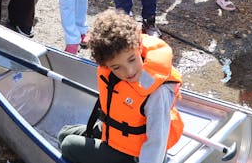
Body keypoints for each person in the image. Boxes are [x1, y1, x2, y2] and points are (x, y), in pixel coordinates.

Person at [57, 9, 183, 163]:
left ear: (139, 46)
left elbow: (157, 142)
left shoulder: (156, 91)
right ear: (107, 65)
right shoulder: (111, 72)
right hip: (114, 133)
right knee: (63, 134)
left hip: (134, 154)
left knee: (68, 145)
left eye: (131, 59)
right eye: (117, 67)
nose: (129, 72)